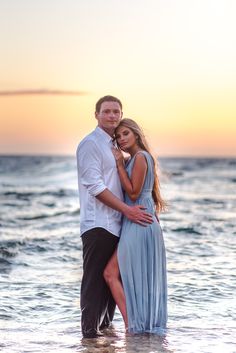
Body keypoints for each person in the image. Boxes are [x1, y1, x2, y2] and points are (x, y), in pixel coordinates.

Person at [76, 96, 153, 338]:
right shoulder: (90, 144)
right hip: (98, 223)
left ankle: (106, 333)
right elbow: (95, 186)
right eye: (106, 111)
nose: (112, 116)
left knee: (111, 281)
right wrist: (127, 210)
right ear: (96, 114)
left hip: (119, 224)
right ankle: (89, 335)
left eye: (116, 112)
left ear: (121, 114)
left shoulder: (116, 146)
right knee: (93, 282)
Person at [103, 118, 168, 334]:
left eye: (125, 134)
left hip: (139, 223)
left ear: (136, 135)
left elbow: (133, 192)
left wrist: (119, 164)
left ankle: (133, 325)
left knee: (111, 273)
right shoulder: (136, 159)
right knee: (126, 274)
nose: (121, 139)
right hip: (138, 221)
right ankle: (138, 326)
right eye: (118, 136)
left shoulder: (140, 158)